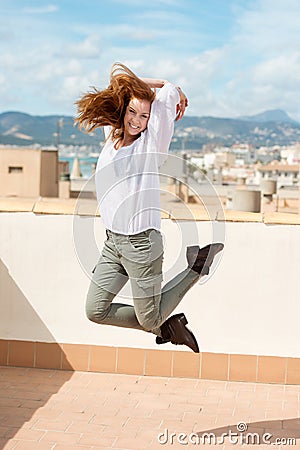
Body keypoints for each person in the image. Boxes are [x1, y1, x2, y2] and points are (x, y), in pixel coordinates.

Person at [75, 63, 223, 353]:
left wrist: (172, 88)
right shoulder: (112, 134)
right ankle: (169, 326)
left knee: (149, 318)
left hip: (141, 245)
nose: (137, 120)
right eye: (132, 112)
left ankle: (196, 267)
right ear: (123, 109)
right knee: (95, 310)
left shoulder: (150, 143)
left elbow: (169, 93)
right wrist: (140, 87)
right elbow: (119, 83)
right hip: (112, 243)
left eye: (144, 115)